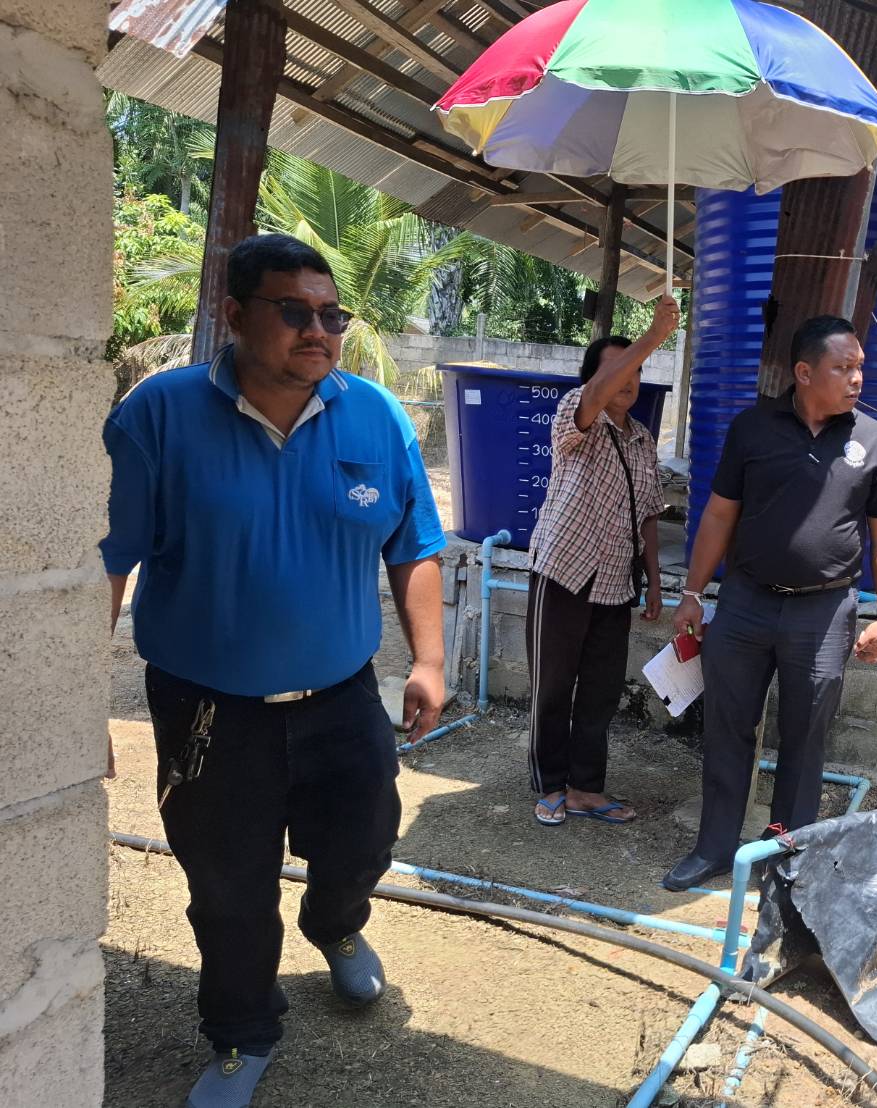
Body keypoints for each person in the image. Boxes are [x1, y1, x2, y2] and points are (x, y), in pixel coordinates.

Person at [100, 235, 447, 1108]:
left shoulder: (375, 416)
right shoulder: (159, 415)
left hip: (341, 696)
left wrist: (429, 661)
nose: (317, 330)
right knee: (228, 887)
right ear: (234, 314)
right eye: (293, 311)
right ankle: (242, 1034)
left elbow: (414, 545)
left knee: (364, 841)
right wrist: (74, 705)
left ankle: (335, 925)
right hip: (208, 710)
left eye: (331, 314)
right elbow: (104, 562)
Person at [662, 315, 877, 892]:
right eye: (842, 368)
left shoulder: (874, 439)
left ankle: (787, 854)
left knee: (805, 735)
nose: (857, 378)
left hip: (823, 614)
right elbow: (719, 514)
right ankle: (715, 848)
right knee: (727, 728)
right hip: (744, 605)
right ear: (804, 372)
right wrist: (693, 593)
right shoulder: (752, 428)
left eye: (859, 367)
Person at [524, 297, 680, 828]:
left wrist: (654, 582)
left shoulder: (641, 439)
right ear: (595, 378)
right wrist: (653, 337)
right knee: (552, 686)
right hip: (563, 572)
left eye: (636, 371)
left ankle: (585, 788)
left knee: (600, 693)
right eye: (618, 369)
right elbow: (594, 397)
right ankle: (550, 785)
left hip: (616, 582)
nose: (628, 380)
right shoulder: (576, 412)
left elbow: (649, 514)